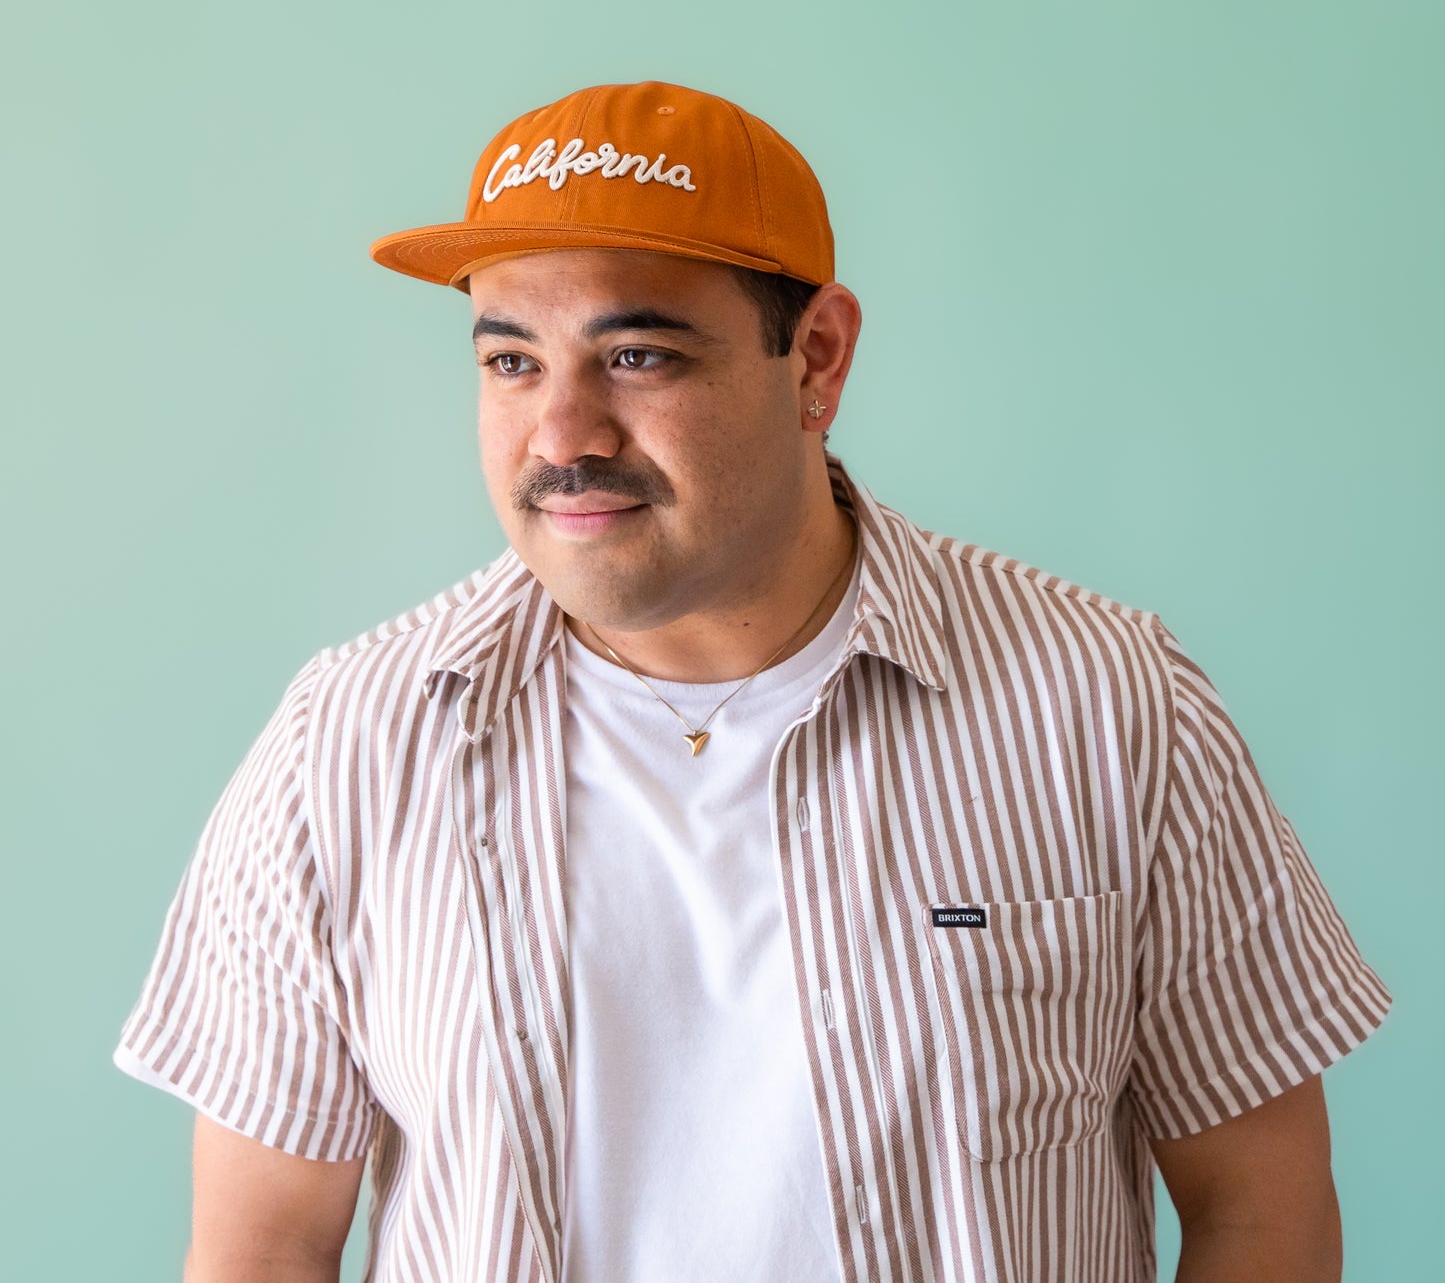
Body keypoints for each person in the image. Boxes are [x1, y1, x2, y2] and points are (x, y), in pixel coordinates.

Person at [114, 79, 1393, 1283]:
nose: (560, 435)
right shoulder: (345, 741)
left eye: (636, 357)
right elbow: (262, 1246)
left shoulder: (1106, 701)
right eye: (510, 360)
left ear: (817, 359)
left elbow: (1259, 1200)